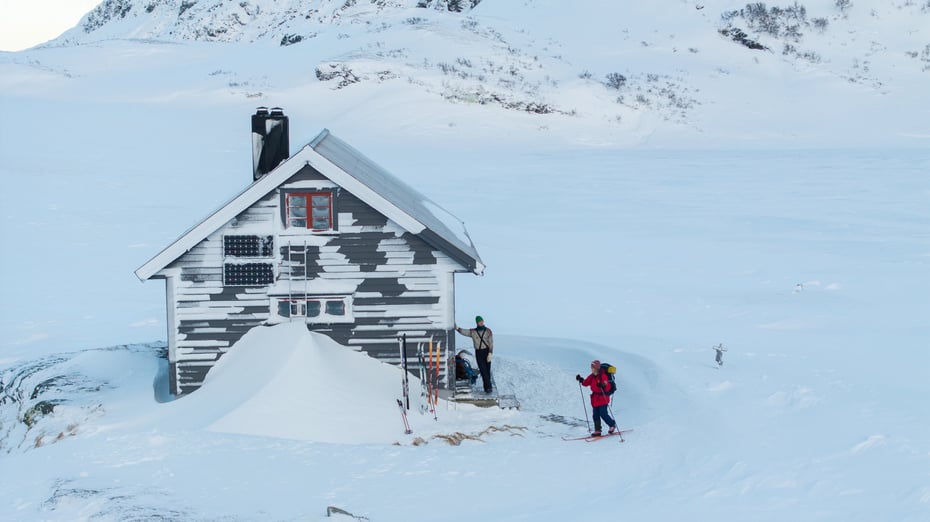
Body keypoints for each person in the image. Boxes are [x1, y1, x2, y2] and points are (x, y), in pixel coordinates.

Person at [576, 360, 617, 437]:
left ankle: (612, 425)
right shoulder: (592, 376)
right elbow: (586, 383)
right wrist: (581, 380)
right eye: (592, 368)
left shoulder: (603, 375)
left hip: (603, 398)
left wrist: (603, 385)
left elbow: (607, 385)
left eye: (593, 368)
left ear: (597, 368)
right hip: (595, 399)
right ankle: (597, 430)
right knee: (595, 415)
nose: (592, 370)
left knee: (603, 414)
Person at [455, 316, 493, 393]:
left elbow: (491, 343)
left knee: (487, 370)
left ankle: (487, 387)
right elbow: (464, 332)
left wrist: (490, 353)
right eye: (479, 321)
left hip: (487, 352)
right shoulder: (473, 332)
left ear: (483, 321)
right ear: (477, 323)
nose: (481, 322)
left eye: (481, 321)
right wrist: (457, 328)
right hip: (479, 352)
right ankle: (488, 388)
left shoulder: (488, 331)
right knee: (483, 370)